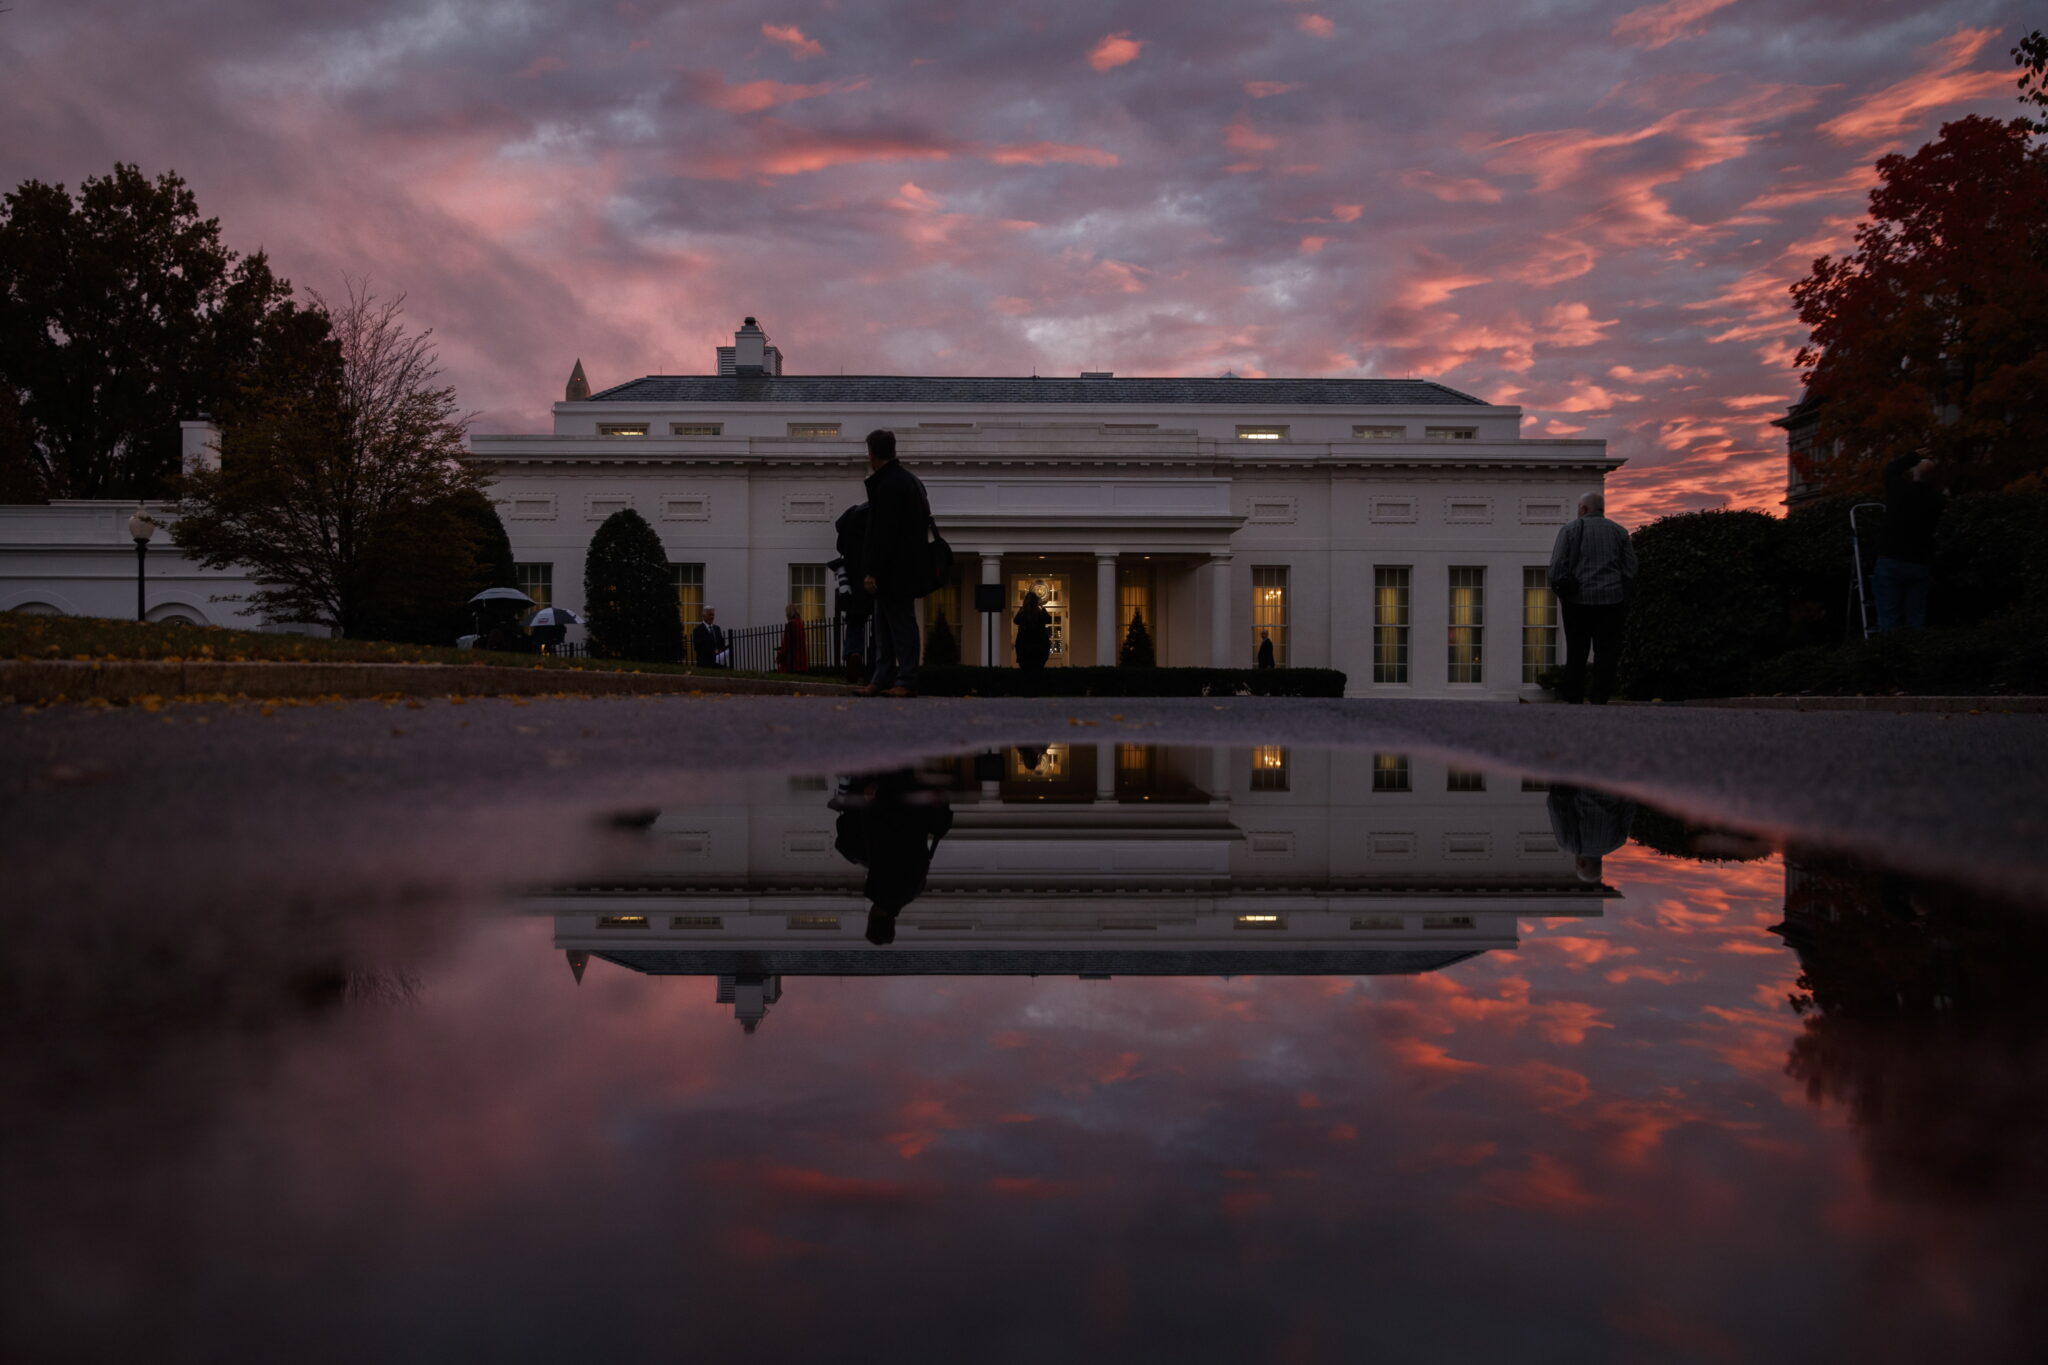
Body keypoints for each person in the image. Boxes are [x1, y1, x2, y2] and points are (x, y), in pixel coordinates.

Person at [830, 769, 954, 945]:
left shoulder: (912, 893)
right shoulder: (881, 891)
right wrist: (870, 803)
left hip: (912, 808)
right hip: (891, 803)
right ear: (871, 920)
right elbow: (881, 840)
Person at [858, 429, 932, 698]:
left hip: (894, 570)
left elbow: (884, 532)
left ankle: (904, 680)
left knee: (899, 627)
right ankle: (883, 678)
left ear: (871, 452)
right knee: (887, 627)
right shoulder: (908, 480)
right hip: (903, 567)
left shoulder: (889, 484)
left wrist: (872, 570)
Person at [1547, 490, 1638, 705]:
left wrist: (1563, 591)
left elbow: (1556, 568)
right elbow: (1631, 568)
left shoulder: (1570, 530)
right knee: (1606, 652)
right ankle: (1600, 696)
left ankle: (1574, 695)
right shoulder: (1619, 532)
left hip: (1577, 601)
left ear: (1584, 509)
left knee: (1577, 651)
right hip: (1611, 601)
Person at [1874, 448, 1943, 632]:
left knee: (1889, 616)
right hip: (1920, 561)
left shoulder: (1900, 491)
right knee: (1916, 617)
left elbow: (1890, 470)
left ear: (1914, 472)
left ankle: (1890, 654)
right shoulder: (1936, 500)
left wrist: (1913, 456)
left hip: (1891, 558)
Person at [1545, 784, 1638, 884]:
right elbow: (1554, 804)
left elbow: (1630, 804)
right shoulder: (1568, 844)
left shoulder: (1617, 842)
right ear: (1581, 864)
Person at [832, 502, 872, 684]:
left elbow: (840, 548)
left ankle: (853, 653)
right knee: (880, 623)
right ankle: (874, 664)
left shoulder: (849, 522)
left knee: (854, 622)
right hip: (871, 575)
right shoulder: (872, 519)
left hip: (852, 578)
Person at [1013, 589, 1052, 670]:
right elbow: (1048, 619)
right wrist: (1042, 607)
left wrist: (1022, 608)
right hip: (1039, 649)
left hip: (1024, 650)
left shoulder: (1024, 613)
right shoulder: (1039, 613)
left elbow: (1016, 620)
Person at [775, 603, 809, 674]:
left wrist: (780, 654)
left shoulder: (790, 625)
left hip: (792, 661)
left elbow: (786, 643)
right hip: (801, 660)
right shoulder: (800, 623)